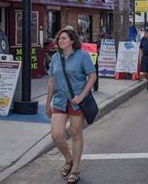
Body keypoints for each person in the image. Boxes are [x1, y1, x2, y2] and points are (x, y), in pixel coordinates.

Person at [45, 27, 97, 184]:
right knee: (56, 135)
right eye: (59, 39)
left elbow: (92, 75)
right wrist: (47, 103)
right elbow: (52, 81)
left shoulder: (82, 56)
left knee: (76, 134)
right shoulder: (55, 58)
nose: (60, 41)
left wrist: (81, 96)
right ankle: (69, 159)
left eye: (64, 38)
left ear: (72, 41)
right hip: (60, 100)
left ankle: (75, 169)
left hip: (76, 102)